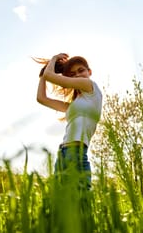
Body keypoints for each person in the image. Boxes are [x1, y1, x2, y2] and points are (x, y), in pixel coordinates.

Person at [34, 53, 102, 189]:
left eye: (81, 70)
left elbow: (50, 76)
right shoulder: (74, 105)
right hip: (63, 153)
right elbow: (42, 99)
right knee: (60, 204)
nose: (77, 75)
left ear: (89, 72)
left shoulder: (90, 86)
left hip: (77, 152)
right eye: (72, 74)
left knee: (80, 201)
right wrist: (42, 77)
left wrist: (53, 59)